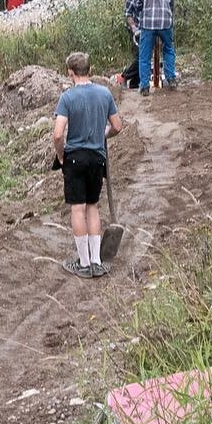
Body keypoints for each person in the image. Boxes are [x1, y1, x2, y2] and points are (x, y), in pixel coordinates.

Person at [53, 52, 123, 278]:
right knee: (92, 206)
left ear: (70, 72)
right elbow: (117, 127)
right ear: (89, 70)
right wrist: (104, 134)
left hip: (75, 158)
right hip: (97, 158)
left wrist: (61, 156)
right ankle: (96, 261)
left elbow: (57, 134)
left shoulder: (67, 98)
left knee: (77, 208)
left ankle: (83, 263)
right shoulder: (104, 93)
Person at [125, 0, 177, 96]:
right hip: (165, 22)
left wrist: (136, 18)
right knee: (169, 49)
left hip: (148, 23)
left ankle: (144, 87)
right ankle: (171, 78)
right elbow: (171, 3)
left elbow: (134, 3)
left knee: (144, 55)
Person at [112, 0, 149, 91]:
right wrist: (134, 29)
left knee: (144, 57)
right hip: (137, 29)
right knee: (141, 57)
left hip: (149, 28)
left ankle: (134, 84)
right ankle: (123, 76)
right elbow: (128, 13)